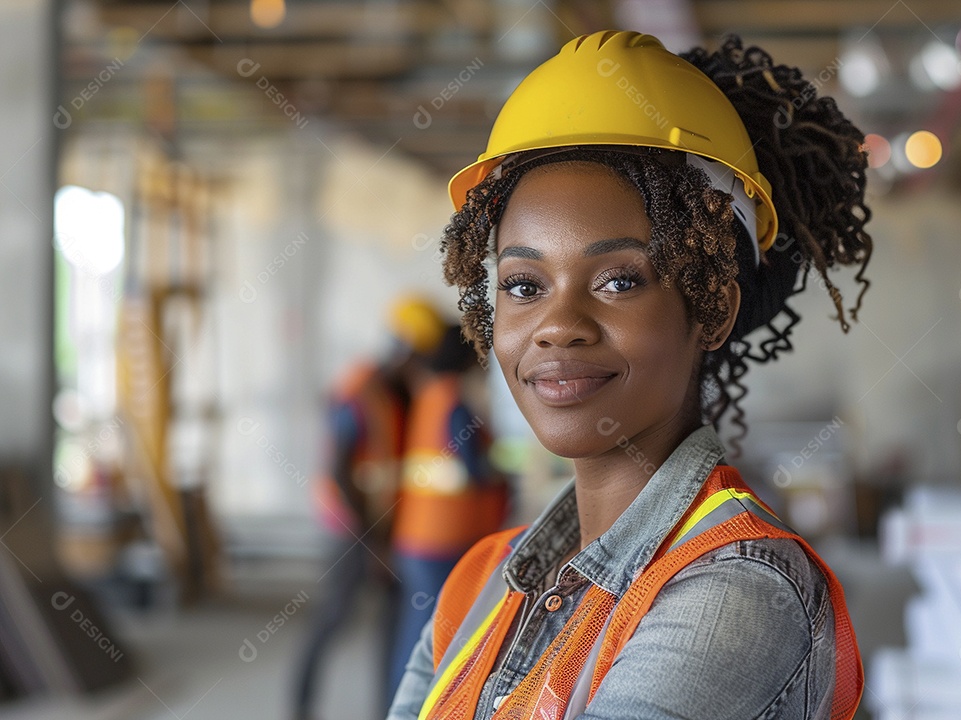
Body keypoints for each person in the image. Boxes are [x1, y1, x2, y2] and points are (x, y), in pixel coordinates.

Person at [388, 30, 871, 720]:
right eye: (524, 285)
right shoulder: (481, 581)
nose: (558, 324)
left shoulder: (736, 589)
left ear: (711, 308)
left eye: (618, 280)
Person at [292, 296, 445, 720]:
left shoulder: (406, 394)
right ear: (402, 347)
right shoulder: (359, 391)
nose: (422, 364)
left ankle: (386, 710)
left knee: (393, 627)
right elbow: (341, 471)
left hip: (388, 526)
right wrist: (371, 540)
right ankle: (299, 708)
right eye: (418, 355)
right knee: (333, 617)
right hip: (350, 526)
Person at [387, 324, 509, 703]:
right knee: (432, 642)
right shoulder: (456, 401)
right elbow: (474, 469)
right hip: (444, 539)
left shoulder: (430, 394)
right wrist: (504, 474)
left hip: (416, 536)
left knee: (414, 634)